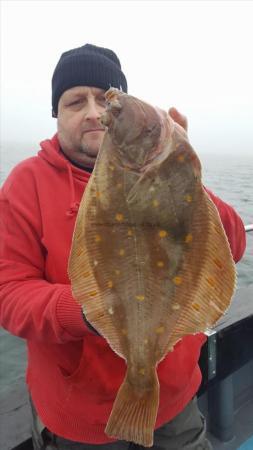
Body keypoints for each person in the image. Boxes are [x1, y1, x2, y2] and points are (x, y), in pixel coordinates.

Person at [0, 43, 246, 450]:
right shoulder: (25, 185)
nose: (95, 112)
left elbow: (233, 246)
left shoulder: (171, 174)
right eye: (75, 101)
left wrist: (185, 175)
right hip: (79, 414)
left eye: (104, 98)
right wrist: (90, 313)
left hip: (176, 397)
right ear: (56, 116)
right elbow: (8, 294)